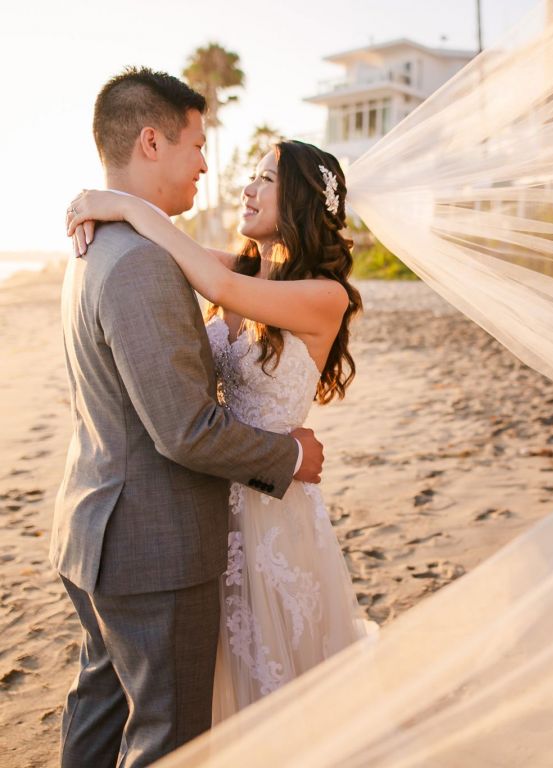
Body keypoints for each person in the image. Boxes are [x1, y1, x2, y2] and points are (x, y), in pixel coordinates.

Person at [52, 67, 324, 768]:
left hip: (95, 527)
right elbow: (183, 429)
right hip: (152, 547)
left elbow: (231, 275)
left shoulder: (98, 246)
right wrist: (290, 458)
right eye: (197, 145)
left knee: (102, 710)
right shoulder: (138, 260)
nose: (209, 161)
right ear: (151, 141)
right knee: (166, 737)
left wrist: (116, 203)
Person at [65, 140, 369, 721]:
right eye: (251, 176)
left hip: (274, 510)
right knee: (208, 684)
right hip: (208, 496)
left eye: (266, 179)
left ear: (302, 199)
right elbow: (173, 256)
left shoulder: (324, 296)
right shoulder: (245, 269)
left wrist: (123, 204)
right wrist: (97, 207)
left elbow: (217, 286)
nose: (248, 189)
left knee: (273, 681)